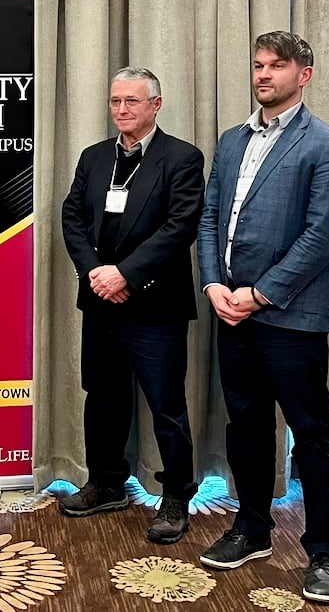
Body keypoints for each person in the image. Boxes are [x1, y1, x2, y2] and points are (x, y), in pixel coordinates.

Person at [196, 31, 329, 604]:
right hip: (231, 312)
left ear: (304, 74)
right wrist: (215, 282)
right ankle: (252, 527)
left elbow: (322, 237)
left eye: (276, 66)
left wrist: (260, 294)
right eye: (258, 65)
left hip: (290, 316)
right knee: (245, 426)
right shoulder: (232, 140)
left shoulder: (327, 144)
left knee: (311, 435)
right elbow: (211, 215)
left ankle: (323, 550)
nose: (263, 75)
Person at [59, 67, 205, 544]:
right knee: (102, 397)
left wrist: (126, 274)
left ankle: (177, 496)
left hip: (154, 305)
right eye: (116, 101)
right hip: (101, 303)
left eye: (132, 102)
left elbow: (180, 227)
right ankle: (106, 483)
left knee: (166, 406)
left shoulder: (182, 158)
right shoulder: (94, 157)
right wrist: (97, 274)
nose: (122, 110)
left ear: (155, 105)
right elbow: (72, 217)